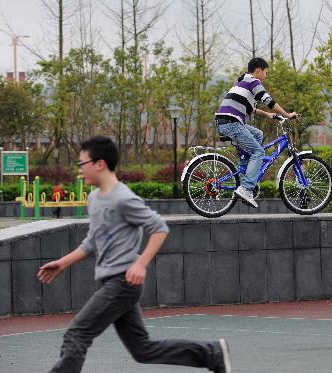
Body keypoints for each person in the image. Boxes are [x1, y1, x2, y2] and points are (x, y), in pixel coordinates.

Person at [37, 136, 231, 373]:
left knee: (77, 334)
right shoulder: (94, 199)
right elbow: (92, 243)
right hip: (113, 282)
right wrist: (62, 263)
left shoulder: (123, 198)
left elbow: (159, 227)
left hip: (122, 283)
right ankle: (212, 355)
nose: (80, 170)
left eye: (82, 163)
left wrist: (140, 264)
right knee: (142, 349)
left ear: (99, 164)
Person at [214, 57, 298, 208]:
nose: (265, 76)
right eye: (265, 72)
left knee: (258, 134)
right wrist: (287, 114)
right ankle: (246, 188)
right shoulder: (254, 81)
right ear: (258, 70)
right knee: (258, 152)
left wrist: (267, 115)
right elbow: (268, 101)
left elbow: (250, 108)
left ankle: (244, 175)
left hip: (227, 122)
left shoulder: (242, 83)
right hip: (232, 124)